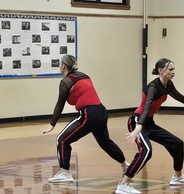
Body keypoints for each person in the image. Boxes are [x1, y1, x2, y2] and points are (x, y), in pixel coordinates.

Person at [116, 57, 184, 194]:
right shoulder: (153, 87)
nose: (173, 72)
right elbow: (147, 106)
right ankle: (123, 184)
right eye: (170, 69)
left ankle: (177, 177)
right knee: (146, 151)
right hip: (137, 121)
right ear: (161, 71)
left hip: (149, 123)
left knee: (177, 144)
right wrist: (139, 127)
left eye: (173, 69)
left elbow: (176, 95)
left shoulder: (168, 85)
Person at [42, 55, 126, 184]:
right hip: (101, 111)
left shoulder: (66, 81)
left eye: (60, 65)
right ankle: (125, 165)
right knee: (105, 142)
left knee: (62, 139)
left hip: (89, 114)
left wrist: (52, 124)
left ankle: (65, 172)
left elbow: (60, 104)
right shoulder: (84, 75)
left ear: (63, 66)